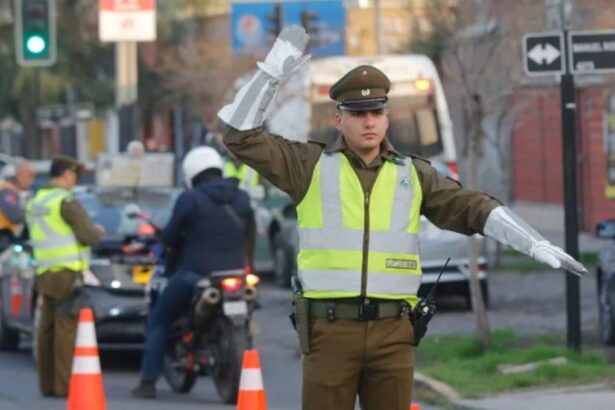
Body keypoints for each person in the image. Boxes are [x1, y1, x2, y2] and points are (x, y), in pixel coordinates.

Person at [217, 26, 587, 410]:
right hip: (330, 331)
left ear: (388, 117)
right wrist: (272, 71)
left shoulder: (413, 173)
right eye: (358, 113)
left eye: (377, 111)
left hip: (393, 333)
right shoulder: (309, 166)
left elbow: (472, 206)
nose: (369, 121)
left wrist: (532, 241)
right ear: (339, 120)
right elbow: (238, 136)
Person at [131, 146, 255, 398]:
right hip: (238, 274)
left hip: (195, 274)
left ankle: (147, 382)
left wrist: (165, 246)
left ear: (191, 174)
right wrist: (245, 264)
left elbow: (172, 236)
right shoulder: (242, 197)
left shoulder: (190, 199)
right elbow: (250, 233)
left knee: (159, 319)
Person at [25, 155, 104, 397]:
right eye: (75, 176)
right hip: (67, 272)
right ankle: (64, 385)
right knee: (66, 327)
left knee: (46, 329)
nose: (75, 181)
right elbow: (88, 235)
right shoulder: (65, 201)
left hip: (44, 271)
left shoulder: (36, 200)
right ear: (68, 174)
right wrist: (98, 231)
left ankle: (47, 384)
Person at [0, 159, 35, 249]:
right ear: (18, 174)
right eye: (29, 175)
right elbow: (15, 215)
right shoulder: (7, 191)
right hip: (4, 237)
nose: (32, 180)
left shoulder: (15, 191)